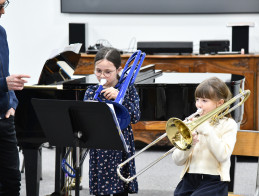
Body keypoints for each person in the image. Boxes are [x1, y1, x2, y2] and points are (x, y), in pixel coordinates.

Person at [83, 47, 140, 196]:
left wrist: (120, 97)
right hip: (99, 145)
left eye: (108, 72)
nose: (102, 76)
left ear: (118, 69)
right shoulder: (90, 91)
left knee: (120, 187)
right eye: (98, 71)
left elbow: (135, 116)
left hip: (120, 143)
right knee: (100, 187)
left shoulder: (128, 89)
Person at [172, 77, 238, 196]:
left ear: (220, 103)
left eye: (204, 100)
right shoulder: (192, 123)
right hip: (190, 179)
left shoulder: (229, 124)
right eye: (197, 99)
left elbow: (223, 155)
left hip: (215, 181)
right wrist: (189, 144)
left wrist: (206, 130)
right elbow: (177, 160)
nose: (199, 105)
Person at [0, 0, 30, 195]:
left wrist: (12, 101)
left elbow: (5, 73)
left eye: (4, 4)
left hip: (4, 120)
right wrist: (4, 84)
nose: (3, 11)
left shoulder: (1, 33)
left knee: (12, 184)